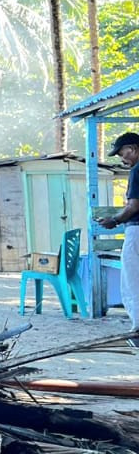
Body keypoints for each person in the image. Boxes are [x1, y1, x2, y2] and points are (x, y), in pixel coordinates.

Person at [97, 132, 139, 339]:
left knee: (132, 280)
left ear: (133, 149)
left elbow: (133, 206)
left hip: (137, 231)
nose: (122, 159)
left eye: (122, 153)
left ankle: (138, 326)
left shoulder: (137, 170)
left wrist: (114, 220)